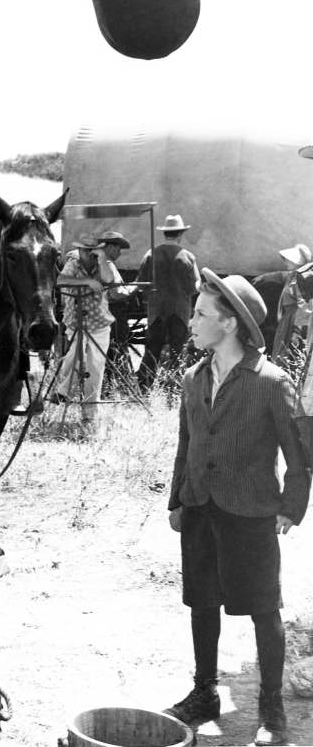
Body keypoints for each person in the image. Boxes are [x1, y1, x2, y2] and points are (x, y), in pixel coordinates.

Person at [165, 268, 311, 746]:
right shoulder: (193, 378)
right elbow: (185, 442)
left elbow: (298, 454)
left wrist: (291, 506)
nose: (191, 321)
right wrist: (177, 499)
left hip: (249, 512)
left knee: (264, 610)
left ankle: (271, 706)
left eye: (201, 313)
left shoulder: (270, 381)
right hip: (199, 506)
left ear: (229, 323)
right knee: (201, 603)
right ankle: (204, 692)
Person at [51, 233, 132, 424]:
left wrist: (102, 259)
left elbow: (109, 280)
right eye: (84, 250)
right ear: (79, 250)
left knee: (96, 366)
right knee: (75, 355)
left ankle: (89, 412)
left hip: (98, 322)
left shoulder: (104, 262)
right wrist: (87, 281)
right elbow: (61, 281)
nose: (87, 254)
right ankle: (63, 392)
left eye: (91, 250)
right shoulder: (73, 262)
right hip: (76, 320)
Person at [136, 214, 201, 392]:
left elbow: (140, 283)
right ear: (180, 234)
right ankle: (174, 390)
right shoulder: (188, 256)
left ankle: (144, 388)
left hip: (156, 311)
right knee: (178, 350)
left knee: (152, 349)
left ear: (165, 233)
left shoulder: (150, 254)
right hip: (180, 311)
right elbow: (196, 286)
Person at [271, 243, 313, 366]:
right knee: (281, 351)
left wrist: (297, 331)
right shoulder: (293, 276)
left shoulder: (302, 278)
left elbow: (304, 307)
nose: (286, 261)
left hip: (294, 320)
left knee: (288, 353)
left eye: (290, 259)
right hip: (288, 318)